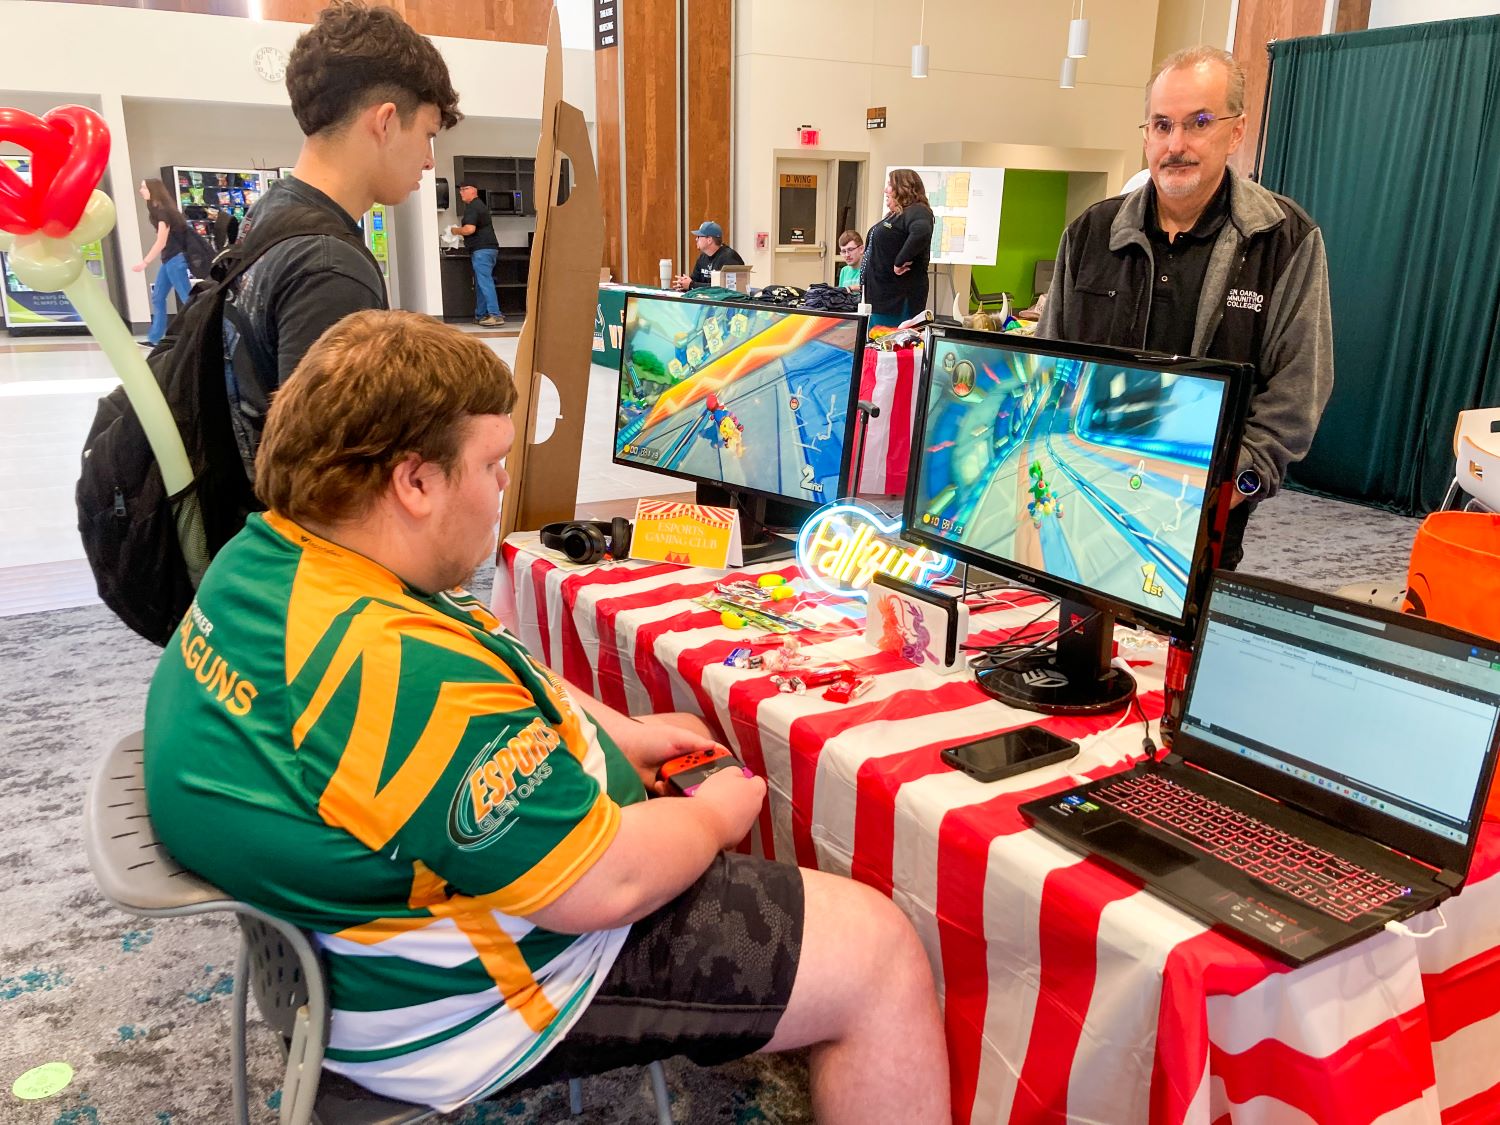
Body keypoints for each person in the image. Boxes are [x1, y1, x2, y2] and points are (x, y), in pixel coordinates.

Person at [142, 310, 950, 1123]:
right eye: (491, 464)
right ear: (414, 481)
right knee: (879, 951)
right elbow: (606, 882)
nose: (503, 488)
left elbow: (488, 658)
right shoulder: (394, 671)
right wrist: (710, 818)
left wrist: (619, 734)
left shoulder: (276, 560)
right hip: (466, 993)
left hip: (361, 945)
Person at [1037, 45, 1334, 570]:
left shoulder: (1284, 241)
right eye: (1161, 125)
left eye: (1198, 122)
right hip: (1077, 505)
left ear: (1236, 131)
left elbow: (1297, 393)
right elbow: (1046, 363)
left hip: (1201, 528)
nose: (1177, 145)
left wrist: (1229, 485)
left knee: (1172, 654)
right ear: (1146, 135)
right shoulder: (1089, 233)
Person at [221, 0, 461, 480]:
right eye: (428, 135)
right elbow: (328, 481)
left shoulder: (268, 214)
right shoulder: (328, 267)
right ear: (386, 121)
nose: (430, 160)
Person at [862, 169, 934, 328]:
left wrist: (900, 261)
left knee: (893, 343)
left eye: (890, 184)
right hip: (882, 296)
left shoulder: (918, 210)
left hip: (898, 299)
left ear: (903, 187)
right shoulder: (896, 215)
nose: (886, 189)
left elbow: (921, 232)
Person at [132, 179, 193, 347]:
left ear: (153, 190)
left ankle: (199, 332)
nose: (141, 190)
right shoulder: (159, 211)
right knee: (158, 297)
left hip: (175, 260)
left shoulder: (163, 213)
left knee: (187, 298)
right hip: (169, 261)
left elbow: (161, 241)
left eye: (144, 187)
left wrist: (145, 262)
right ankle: (155, 338)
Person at [449, 182, 504, 326]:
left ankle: (495, 315)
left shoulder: (473, 207)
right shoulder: (479, 206)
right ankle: (481, 315)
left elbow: (469, 229)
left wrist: (454, 231)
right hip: (487, 248)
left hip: (482, 250)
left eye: (464, 189)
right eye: (460, 190)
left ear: (474, 191)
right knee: (481, 282)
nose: (461, 192)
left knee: (484, 281)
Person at [671, 220, 743, 290]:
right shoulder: (702, 257)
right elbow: (694, 280)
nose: (696, 239)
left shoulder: (729, 258)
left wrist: (691, 285)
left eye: (699, 236)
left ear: (709, 240)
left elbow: (722, 287)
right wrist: (683, 283)